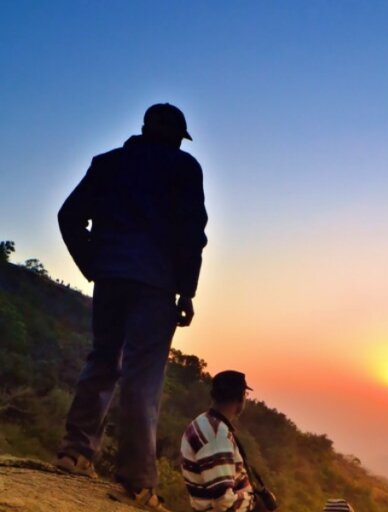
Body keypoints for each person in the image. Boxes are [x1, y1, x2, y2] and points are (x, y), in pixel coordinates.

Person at [55, 103, 208, 510]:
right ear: (176, 135)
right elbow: (192, 234)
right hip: (156, 284)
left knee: (102, 360)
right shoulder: (184, 168)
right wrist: (187, 291)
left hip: (111, 277)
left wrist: (94, 265)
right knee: (143, 378)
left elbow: (68, 216)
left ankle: (74, 453)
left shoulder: (108, 163)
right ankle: (137, 484)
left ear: (144, 128)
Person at [181, 371, 258, 512]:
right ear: (240, 398)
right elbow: (222, 501)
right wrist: (252, 502)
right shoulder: (217, 438)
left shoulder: (203, 421)